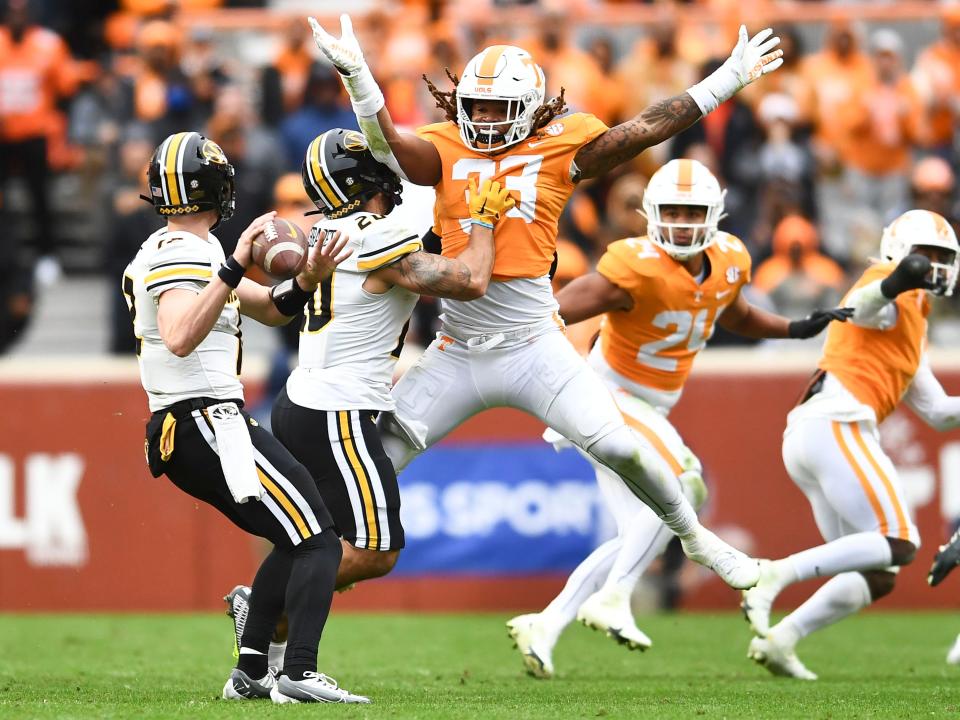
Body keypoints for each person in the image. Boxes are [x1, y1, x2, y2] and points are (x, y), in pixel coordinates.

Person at [308, 14, 784, 591]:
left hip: (535, 343)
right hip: (457, 347)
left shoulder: (561, 145)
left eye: (496, 108)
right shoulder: (445, 147)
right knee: (377, 463)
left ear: (531, 106)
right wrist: (360, 78)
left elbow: (645, 128)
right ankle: (286, 597)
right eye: (476, 106)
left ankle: (695, 538)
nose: (482, 120)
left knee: (622, 451)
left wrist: (723, 82)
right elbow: (388, 143)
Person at [506, 159, 850, 678]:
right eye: (673, 212)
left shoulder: (730, 258)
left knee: (641, 527)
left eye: (693, 212)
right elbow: (553, 312)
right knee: (685, 484)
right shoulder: (635, 264)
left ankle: (547, 624)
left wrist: (795, 328)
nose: (683, 224)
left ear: (715, 215)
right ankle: (616, 596)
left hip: (644, 406)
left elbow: (732, 312)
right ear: (650, 215)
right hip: (607, 396)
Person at [225, 127, 515, 670]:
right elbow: (471, 280)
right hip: (337, 410)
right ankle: (264, 614)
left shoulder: (338, 233)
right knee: (374, 550)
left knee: (313, 539)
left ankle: (259, 640)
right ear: (369, 177)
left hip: (306, 402)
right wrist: (483, 221)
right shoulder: (376, 237)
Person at [124, 130, 367, 704]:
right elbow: (183, 336)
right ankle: (298, 671)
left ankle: (253, 670)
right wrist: (235, 264)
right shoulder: (185, 251)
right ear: (217, 187)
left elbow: (273, 308)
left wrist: (306, 279)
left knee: (296, 535)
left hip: (200, 422)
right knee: (320, 539)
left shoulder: (189, 251)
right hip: (204, 418)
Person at [742, 209, 960, 680]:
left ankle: (783, 639)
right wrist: (896, 279)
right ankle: (774, 574)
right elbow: (863, 304)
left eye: (942, 256)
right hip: (838, 423)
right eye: (925, 254)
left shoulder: (914, 317)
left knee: (876, 572)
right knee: (899, 541)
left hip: (814, 430)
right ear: (899, 253)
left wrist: (903, 283)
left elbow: (940, 411)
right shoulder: (884, 279)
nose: (934, 265)